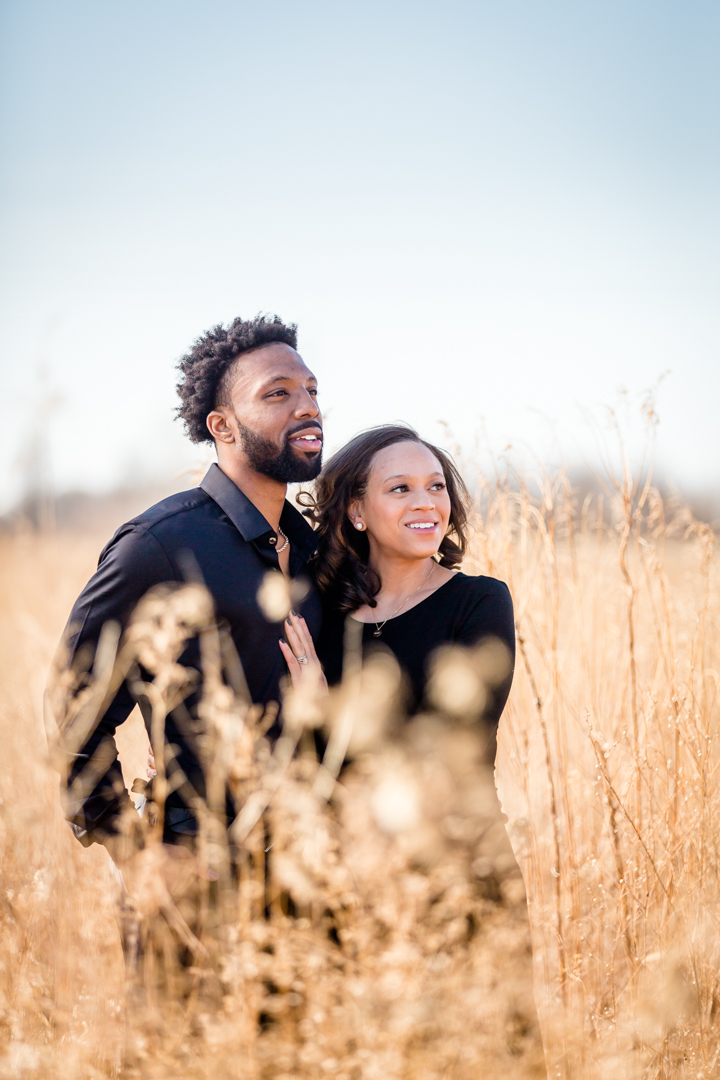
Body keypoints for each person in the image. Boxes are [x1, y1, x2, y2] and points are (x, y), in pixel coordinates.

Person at [56, 313, 324, 865]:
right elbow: (72, 709)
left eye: (311, 389)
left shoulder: (316, 553)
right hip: (196, 875)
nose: (307, 406)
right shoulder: (159, 545)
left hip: (308, 871)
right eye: (277, 394)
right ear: (222, 427)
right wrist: (137, 856)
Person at [278, 424, 515, 727]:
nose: (426, 502)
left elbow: (460, 744)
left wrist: (322, 709)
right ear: (356, 512)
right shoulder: (317, 604)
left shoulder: (480, 602)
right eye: (400, 488)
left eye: (436, 486)